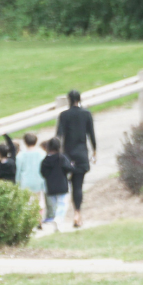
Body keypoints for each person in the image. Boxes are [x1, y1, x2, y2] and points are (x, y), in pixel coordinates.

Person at [55, 89, 96, 228]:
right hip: (82, 153)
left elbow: (59, 135)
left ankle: (60, 214)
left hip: (67, 155)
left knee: (67, 185)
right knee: (78, 185)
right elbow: (91, 134)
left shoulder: (64, 115)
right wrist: (94, 150)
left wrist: (56, 152)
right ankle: (77, 213)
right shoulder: (86, 114)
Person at [40, 138, 73, 231]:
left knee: (54, 205)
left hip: (50, 186)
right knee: (62, 203)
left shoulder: (45, 160)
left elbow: (42, 173)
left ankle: (57, 222)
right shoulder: (61, 158)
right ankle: (58, 219)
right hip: (61, 183)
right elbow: (69, 168)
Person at [14, 132, 46, 221]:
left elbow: (18, 170)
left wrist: (17, 182)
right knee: (39, 200)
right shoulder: (42, 153)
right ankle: (39, 218)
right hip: (38, 179)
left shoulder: (20, 156)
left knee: (27, 201)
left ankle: (29, 219)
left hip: (25, 181)